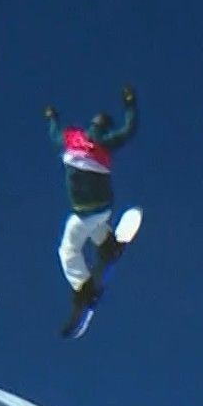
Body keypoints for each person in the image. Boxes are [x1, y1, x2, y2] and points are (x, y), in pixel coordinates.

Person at [44, 89, 141, 326]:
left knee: (68, 250)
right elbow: (128, 130)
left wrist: (52, 118)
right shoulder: (104, 142)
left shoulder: (70, 140)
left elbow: (55, 134)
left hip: (83, 210)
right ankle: (106, 243)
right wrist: (130, 105)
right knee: (92, 223)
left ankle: (84, 289)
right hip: (102, 207)